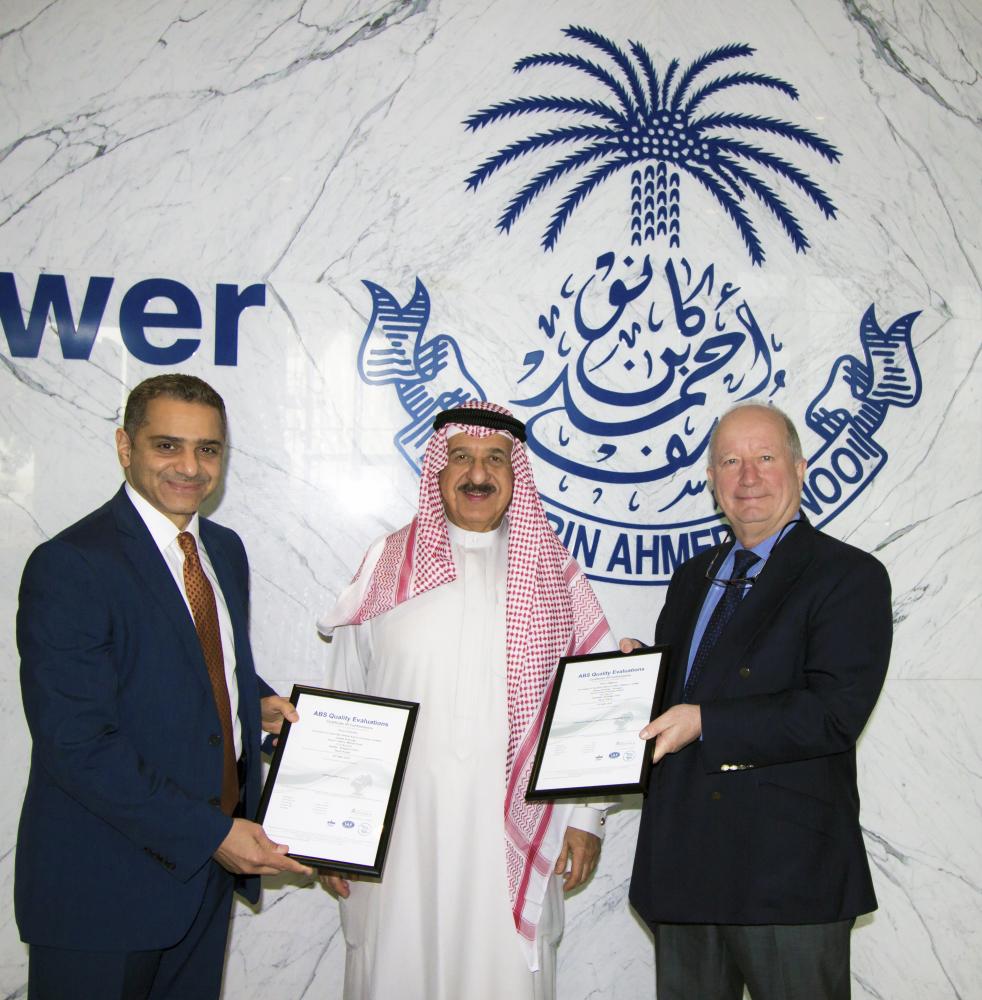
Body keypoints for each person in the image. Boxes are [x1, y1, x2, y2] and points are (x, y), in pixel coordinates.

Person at [16, 374, 313, 1000]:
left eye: (208, 449)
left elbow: (195, 649)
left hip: (201, 883)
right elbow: (77, 742)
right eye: (167, 446)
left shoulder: (223, 550)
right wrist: (213, 835)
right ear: (126, 446)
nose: (190, 467)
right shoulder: (72, 563)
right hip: (102, 890)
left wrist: (248, 699)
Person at [318, 400, 612, 1000]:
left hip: (511, 832)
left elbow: (591, 705)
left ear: (516, 471)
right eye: (461, 458)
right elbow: (344, 696)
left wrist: (586, 817)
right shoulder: (386, 565)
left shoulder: (554, 573)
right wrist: (329, 834)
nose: (478, 474)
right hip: (400, 839)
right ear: (437, 468)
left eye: (495, 459)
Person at [625, 401, 892, 1000]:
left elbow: (834, 713)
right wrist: (635, 679)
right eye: (730, 462)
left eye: (765, 458)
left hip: (788, 875)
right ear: (713, 480)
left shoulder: (848, 575)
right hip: (685, 865)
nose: (748, 477)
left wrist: (706, 722)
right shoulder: (693, 576)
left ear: (800, 468)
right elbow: (694, 689)